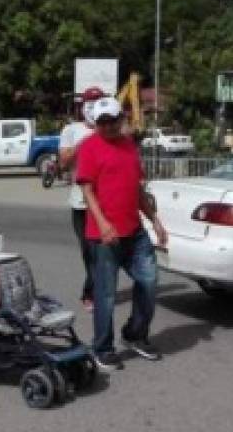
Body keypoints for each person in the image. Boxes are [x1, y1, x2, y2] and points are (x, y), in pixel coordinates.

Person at [76, 97, 169, 371]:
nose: (106, 127)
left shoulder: (129, 146)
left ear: (121, 119)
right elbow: (87, 190)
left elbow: (136, 189)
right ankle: (102, 347)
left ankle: (135, 334)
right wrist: (103, 223)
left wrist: (155, 220)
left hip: (135, 231)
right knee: (105, 295)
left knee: (149, 282)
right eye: (101, 122)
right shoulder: (90, 147)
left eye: (111, 121)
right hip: (104, 235)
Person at [58, 86, 105, 311]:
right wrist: (83, 143)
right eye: (89, 102)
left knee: (102, 249)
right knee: (88, 250)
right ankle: (94, 289)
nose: (93, 106)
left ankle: (93, 291)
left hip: (105, 200)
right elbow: (63, 163)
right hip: (80, 202)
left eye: (98, 102)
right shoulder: (71, 130)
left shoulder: (108, 129)